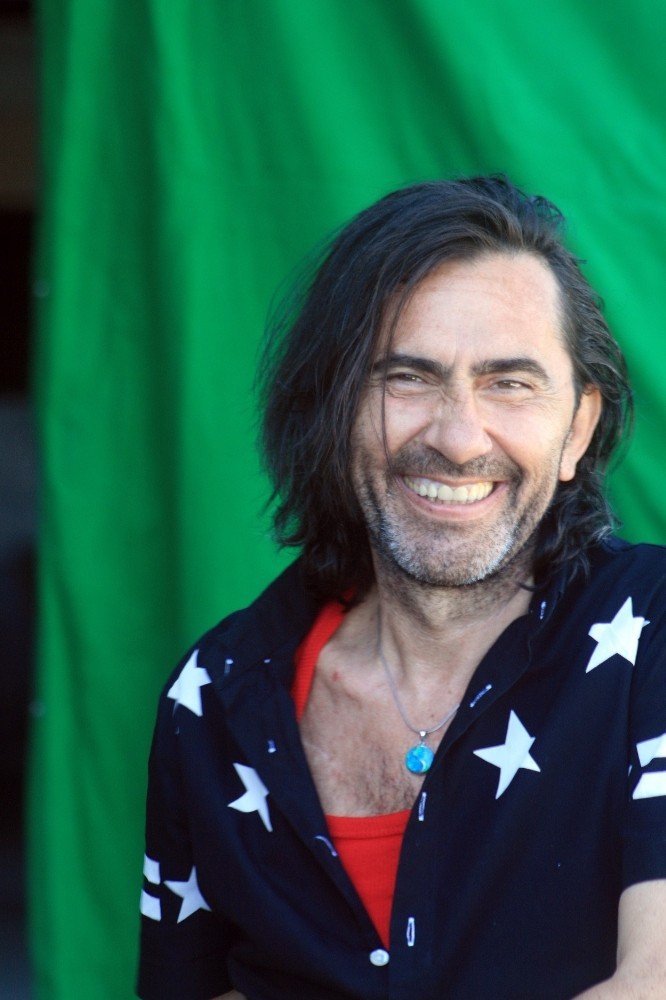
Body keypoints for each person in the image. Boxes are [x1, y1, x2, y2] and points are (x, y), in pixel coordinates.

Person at [137, 177, 666, 1000]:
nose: (456, 438)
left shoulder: (653, 632)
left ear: (579, 429)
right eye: (407, 378)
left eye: (510, 383)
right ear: (334, 410)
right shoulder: (215, 698)